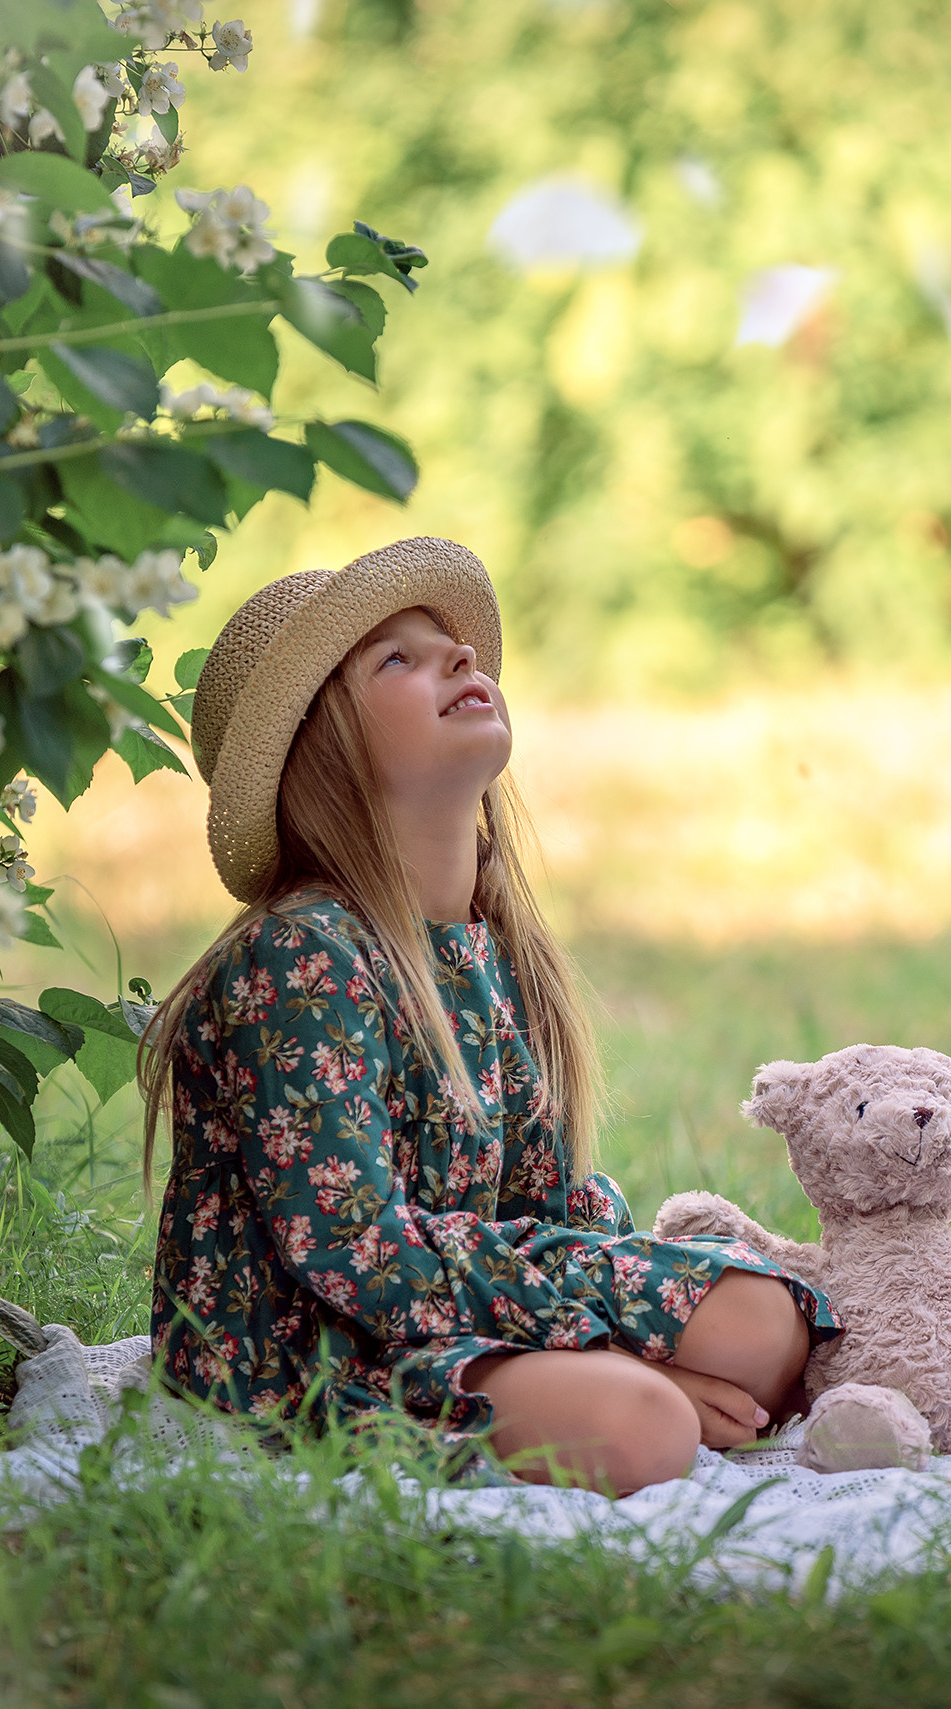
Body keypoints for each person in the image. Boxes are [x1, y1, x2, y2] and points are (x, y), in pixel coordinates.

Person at [140, 537, 836, 1493]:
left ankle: (599, 1388)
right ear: (324, 753)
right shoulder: (301, 957)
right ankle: (611, 1397)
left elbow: (542, 1203)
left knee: (764, 1321)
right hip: (314, 1351)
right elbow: (355, 1253)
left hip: (455, 1304)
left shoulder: (492, 947)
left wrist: (620, 1297)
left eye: (450, 644)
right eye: (399, 658)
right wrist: (628, 1345)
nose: (461, 659)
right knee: (644, 1428)